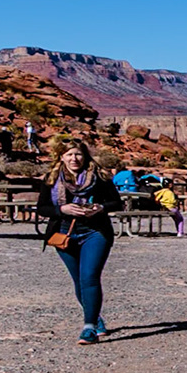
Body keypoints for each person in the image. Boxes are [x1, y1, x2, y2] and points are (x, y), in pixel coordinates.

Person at [37, 139, 122, 345]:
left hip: (95, 232)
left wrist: (101, 207)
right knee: (78, 281)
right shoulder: (52, 179)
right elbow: (42, 207)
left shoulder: (99, 177)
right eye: (69, 154)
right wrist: (62, 210)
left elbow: (116, 202)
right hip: (64, 234)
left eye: (78, 154)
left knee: (89, 278)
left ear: (85, 156)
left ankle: (89, 328)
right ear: (61, 157)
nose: (74, 159)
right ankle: (95, 318)